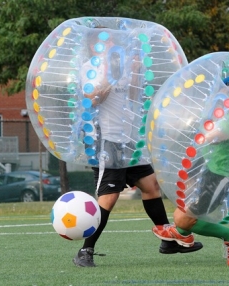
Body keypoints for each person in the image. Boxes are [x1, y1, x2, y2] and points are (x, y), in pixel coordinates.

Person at [73, 28, 203, 267]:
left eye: (112, 39)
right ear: (94, 47)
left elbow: (132, 97)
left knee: (151, 186)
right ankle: (85, 251)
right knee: (108, 198)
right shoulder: (90, 68)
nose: (110, 43)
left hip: (129, 140)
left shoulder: (124, 66)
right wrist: (110, 74)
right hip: (106, 140)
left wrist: (132, 74)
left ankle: (168, 241)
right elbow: (92, 99)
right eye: (104, 41)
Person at [152, 64, 229, 266]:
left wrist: (199, 135)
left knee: (184, 217)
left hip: (221, 171)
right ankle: (182, 234)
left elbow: (218, 135)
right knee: (189, 203)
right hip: (211, 161)